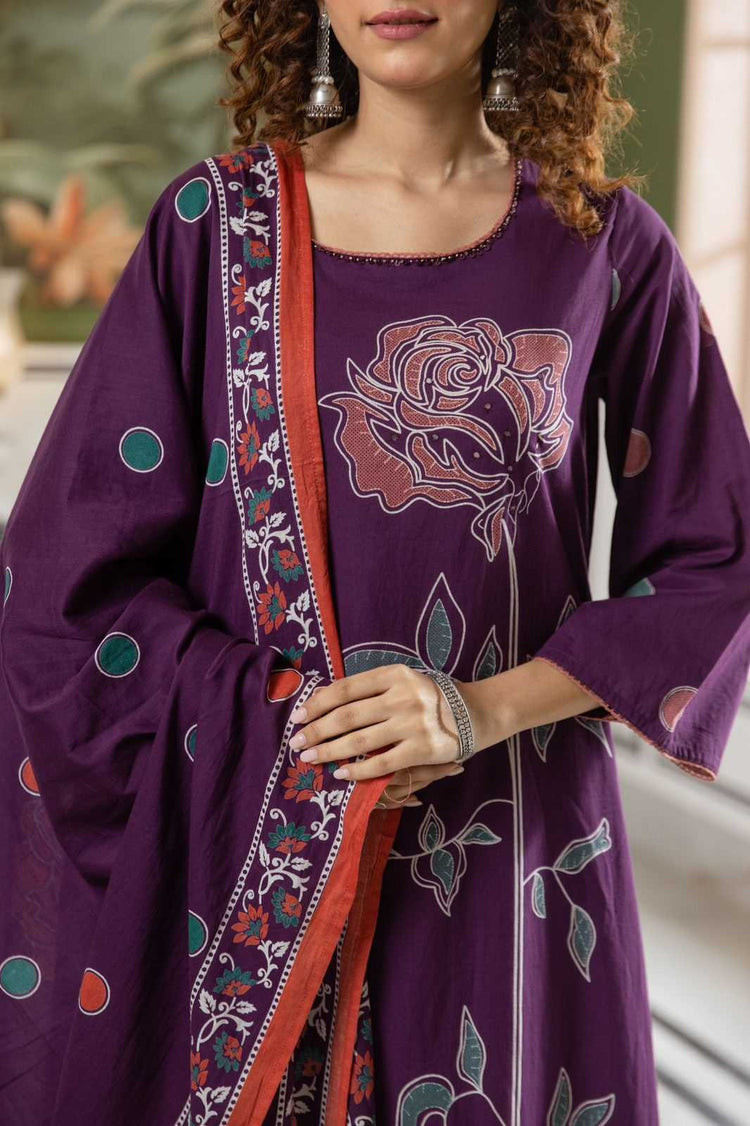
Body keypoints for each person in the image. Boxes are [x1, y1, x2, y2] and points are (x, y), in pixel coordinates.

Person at [1, 1, 749, 1123]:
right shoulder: (214, 230)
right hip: (248, 857)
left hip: (511, 843)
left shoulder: (601, 241)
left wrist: (474, 711)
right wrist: (293, 729)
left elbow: (717, 561)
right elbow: (69, 579)